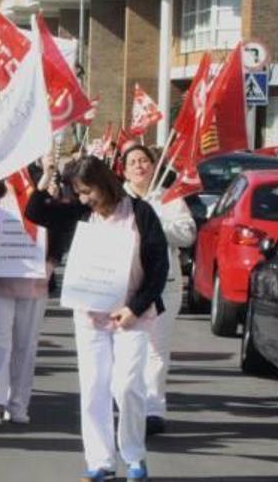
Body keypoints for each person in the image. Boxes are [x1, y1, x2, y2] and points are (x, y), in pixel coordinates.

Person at [25, 155, 169, 482]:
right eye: (78, 192)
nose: (83, 198)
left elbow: (159, 266)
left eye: (88, 191)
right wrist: (47, 174)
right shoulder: (82, 214)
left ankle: (134, 456)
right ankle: (101, 462)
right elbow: (35, 211)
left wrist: (135, 307)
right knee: (93, 389)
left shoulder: (140, 213)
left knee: (127, 386)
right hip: (90, 316)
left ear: (104, 183)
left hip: (132, 316)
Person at [121, 144, 195, 436]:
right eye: (133, 162)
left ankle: (153, 410)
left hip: (166, 287)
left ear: (153, 166)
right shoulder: (118, 200)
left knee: (156, 351)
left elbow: (188, 234)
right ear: (124, 170)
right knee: (129, 351)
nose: (139, 166)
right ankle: (130, 405)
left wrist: (155, 220)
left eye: (144, 161)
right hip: (128, 287)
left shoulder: (169, 198)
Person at [0, 180, 51, 428]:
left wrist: (52, 262)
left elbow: (61, 229)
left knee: (25, 347)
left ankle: (17, 403)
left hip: (33, 283)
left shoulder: (44, 187)